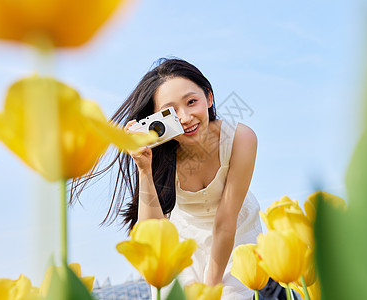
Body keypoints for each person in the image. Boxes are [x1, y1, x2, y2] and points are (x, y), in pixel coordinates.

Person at [72, 58, 262, 299]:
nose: (184, 117)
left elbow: (225, 223)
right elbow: (152, 231)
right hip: (185, 244)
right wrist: (144, 169)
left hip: (236, 237)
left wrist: (209, 290)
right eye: (169, 112)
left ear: (209, 98)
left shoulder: (240, 138)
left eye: (192, 102)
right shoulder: (161, 155)